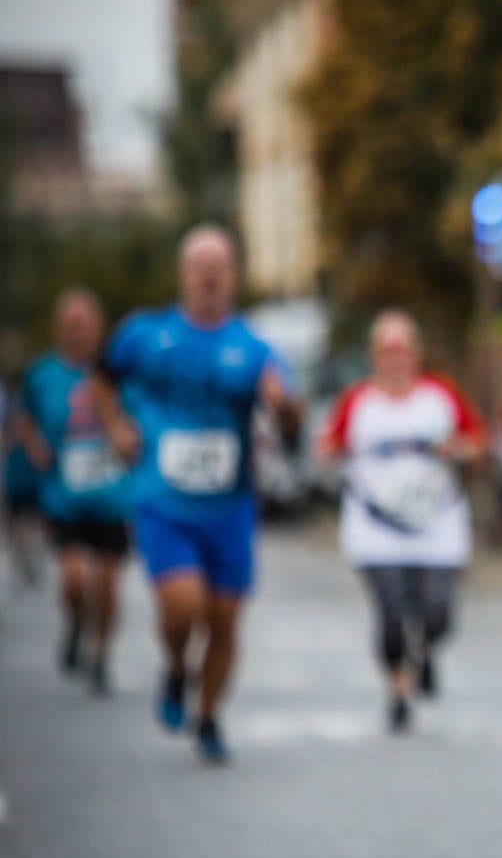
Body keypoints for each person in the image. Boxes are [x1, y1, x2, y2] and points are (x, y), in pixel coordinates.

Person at [92, 225, 302, 763]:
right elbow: (101, 377)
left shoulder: (253, 347)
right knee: (184, 602)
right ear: (183, 274)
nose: (209, 276)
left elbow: (293, 419)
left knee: (225, 619)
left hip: (229, 505)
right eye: (199, 266)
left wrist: (284, 408)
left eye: (219, 266)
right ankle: (175, 667)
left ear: (233, 275)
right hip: (164, 501)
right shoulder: (145, 334)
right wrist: (115, 426)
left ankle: (207, 717)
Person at [316, 310, 487, 730]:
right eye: (386, 352)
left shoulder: (440, 395)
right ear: (374, 356)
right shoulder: (357, 400)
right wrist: (328, 454)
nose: (395, 360)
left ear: (416, 354)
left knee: (437, 613)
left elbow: (477, 442)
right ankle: (398, 691)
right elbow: (328, 445)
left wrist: (457, 450)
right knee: (391, 612)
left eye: (402, 350)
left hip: (437, 523)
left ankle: (425, 651)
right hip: (375, 527)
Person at [14, 289, 131, 692]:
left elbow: (140, 416)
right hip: (64, 495)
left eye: (84, 324)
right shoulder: (42, 373)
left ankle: (101, 653)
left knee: (110, 582)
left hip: (114, 494)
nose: (78, 332)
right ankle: (76, 624)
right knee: (76, 579)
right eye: (70, 325)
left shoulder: (118, 372)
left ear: (98, 327)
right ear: (59, 328)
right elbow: (21, 417)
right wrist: (36, 447)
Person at [3, 379, 47, 591]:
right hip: (14, 478)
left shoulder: (38, 419)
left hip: (34, 477)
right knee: (16, 522)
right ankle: (22, 559)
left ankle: (35, 557)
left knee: (37, 520)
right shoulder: (9, 414)